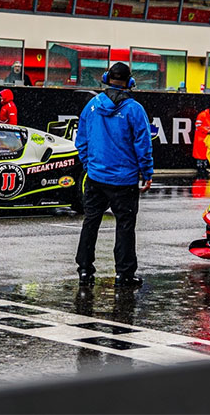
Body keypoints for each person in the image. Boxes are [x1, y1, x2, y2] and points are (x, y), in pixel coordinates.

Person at [75, 63, 153, 287]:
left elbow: (81, 140)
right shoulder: (135, 110)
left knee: (90, 223)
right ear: (130, 82)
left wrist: (90, 165)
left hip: (96, 178)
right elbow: (143, 145)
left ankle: (84, 270)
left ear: (106, 78)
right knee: (125, 227)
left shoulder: (91, 106)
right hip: (124, 181)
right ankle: (124, 274)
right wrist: (146, 172)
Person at [193, 104, 210, 177]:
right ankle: (199, 168)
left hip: (207, 138)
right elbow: (198, 125)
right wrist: (206, 130)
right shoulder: (202, 115)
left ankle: (204, 167)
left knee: (206, 153)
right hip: (200, 138)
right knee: (199, 153)